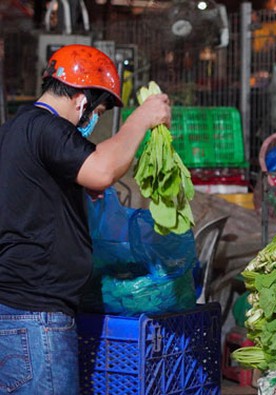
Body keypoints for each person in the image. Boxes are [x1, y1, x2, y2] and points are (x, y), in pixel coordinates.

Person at [0, 44, 170, 394]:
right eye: (99, 109)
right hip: (36, 316)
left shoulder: (16, 130)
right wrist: (142, 118)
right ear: (81, 101)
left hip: (17, 309)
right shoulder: (47, 128)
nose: (94, 120)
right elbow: (103, 170)